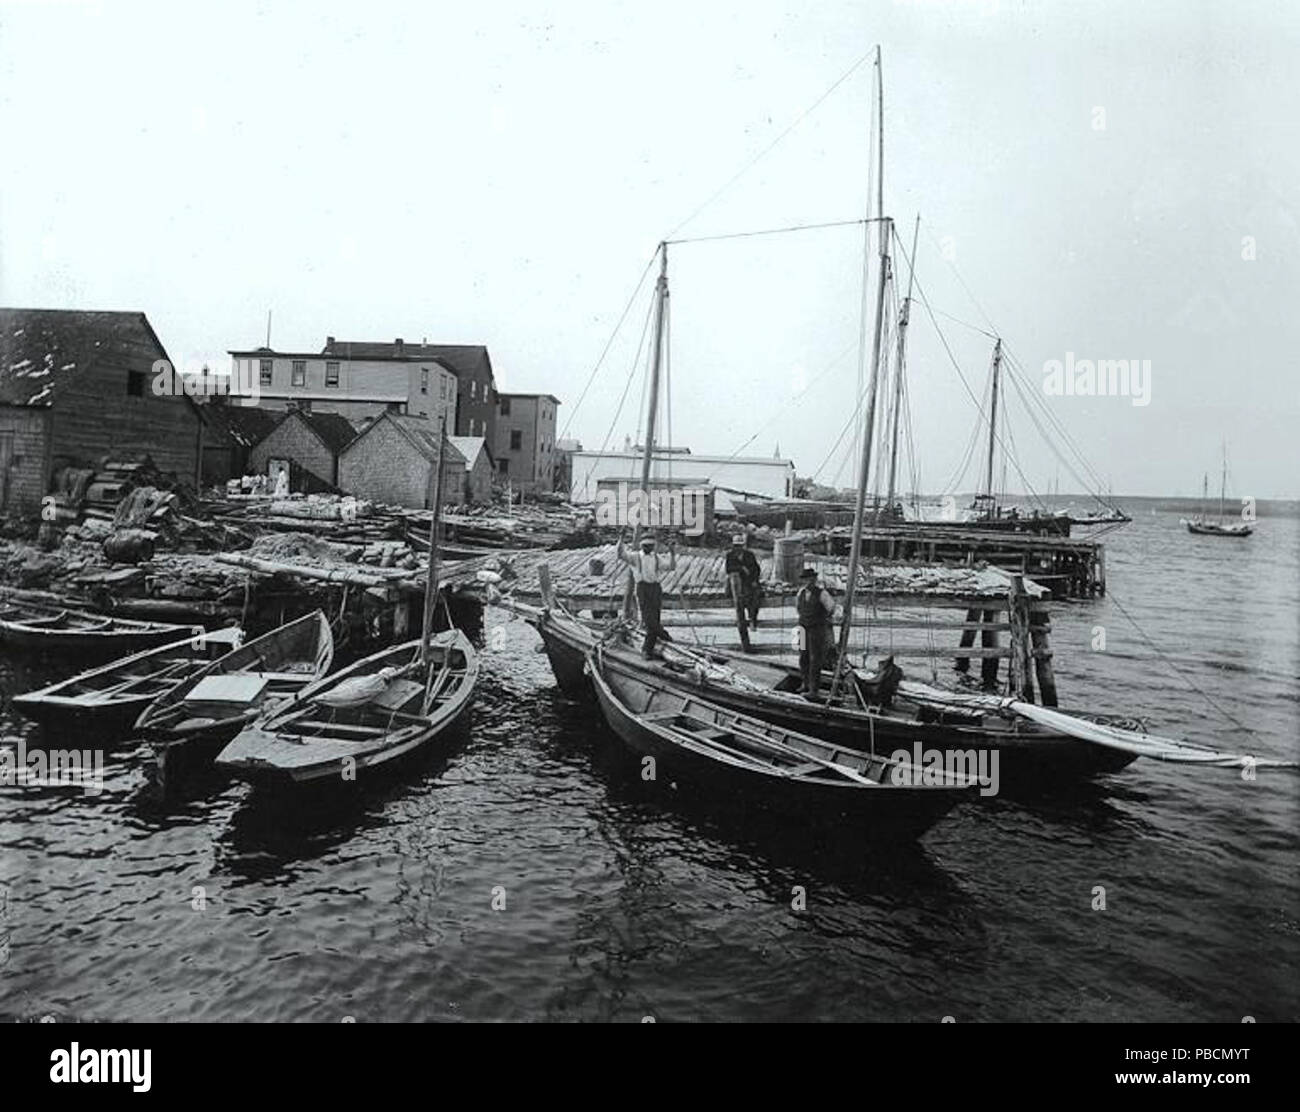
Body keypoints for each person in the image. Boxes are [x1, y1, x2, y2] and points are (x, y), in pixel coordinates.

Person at [616, 533, 677, 659]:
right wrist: (621, 540)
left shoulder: (656, 558)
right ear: (641, 545)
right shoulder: (635, 557)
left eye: (650, 546)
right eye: (646, 546)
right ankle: (656, 643)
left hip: (655, 588)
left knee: (655, 618)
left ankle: (653, 646)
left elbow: (671, 567)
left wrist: (672, 553)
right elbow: (620, 554)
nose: (648, 548)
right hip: (642, 588)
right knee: (649, 620)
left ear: (653, 546)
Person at [795, 567, 836, 698]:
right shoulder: (800, 593)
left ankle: (813, 690)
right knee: (803, 657)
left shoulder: (822, 593)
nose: (808, 582)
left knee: (815, 659)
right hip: (802, 628)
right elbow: (798, 608)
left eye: (810, 579)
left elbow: (831, 608)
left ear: (814, 580)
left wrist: (820, 618)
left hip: (816, 629)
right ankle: (805, 684)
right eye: (805, 579)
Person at [724, 533, 763, 651]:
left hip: (748, 582)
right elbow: (728, 569)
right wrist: (741, 568)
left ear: (743, 546)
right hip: (736, 585)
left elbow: (756, 570)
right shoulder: (730, 555)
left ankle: (752, 618)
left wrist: (753, 580)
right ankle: (745, 639)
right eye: (736, 546)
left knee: (756, 595)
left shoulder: (749, 555)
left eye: (740, 546)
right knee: (739, 606)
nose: (738, 548)